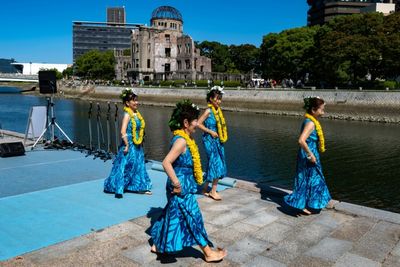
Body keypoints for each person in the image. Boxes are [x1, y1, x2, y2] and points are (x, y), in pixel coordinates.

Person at [150, 100, 227, 263]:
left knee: (173, 214)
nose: (197, 124)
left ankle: (158, 244)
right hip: (181, 186)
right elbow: (166, 162)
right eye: (194, 121)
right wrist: (177, 184)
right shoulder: (182, 141)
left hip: (183, 184)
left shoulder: (185, 138)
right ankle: (208, 253)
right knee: (194, 217)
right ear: (186, 123)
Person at [284, 97, 331, 215]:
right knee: (313, 179)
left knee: (309, 179)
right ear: (314, 110)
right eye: (321, 109)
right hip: (309, 155)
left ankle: (308, 204)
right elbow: (301, 140)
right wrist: (311, 155)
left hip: (308, 153)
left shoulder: (309, 120)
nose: (323, 112)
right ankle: (304, 204)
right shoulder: (310, 123)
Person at [104, 88, 152, 198]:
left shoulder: (137, 113)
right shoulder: (127, 114)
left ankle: (139, 186)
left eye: (136, 100)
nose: (136, 102)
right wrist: (126, 144)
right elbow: (123, 131)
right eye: (134, 101)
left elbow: (140, 128)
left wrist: (140, 137)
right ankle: (119, 186)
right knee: (125, 166)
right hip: (129, 144)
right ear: (127, 103)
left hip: (137, 144)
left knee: (138, 165)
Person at [197, 86, 227, 201]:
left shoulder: (218, 111)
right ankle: (213, 191)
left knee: (213, 163)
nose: (219, 101)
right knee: (216, 163)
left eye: (220, 99)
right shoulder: (208, 111)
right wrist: (210, 131)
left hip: (218, 140)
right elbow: (198, 124)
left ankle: (205, 188)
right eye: (217, 98)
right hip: (209, 140)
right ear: (210, 99)